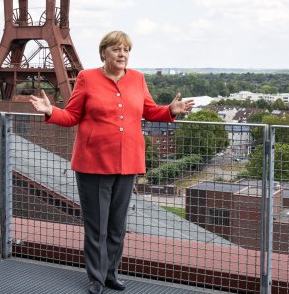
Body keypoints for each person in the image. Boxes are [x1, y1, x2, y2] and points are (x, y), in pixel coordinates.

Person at [29, 30, 194, 294]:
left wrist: (170, 111)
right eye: (117, 49)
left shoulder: (138, 78)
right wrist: (51, 111)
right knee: (97, 226)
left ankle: (110, 274)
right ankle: (95, 278)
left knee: (118, 225)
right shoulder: (87, 78)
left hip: (128, 162)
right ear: (103, 52)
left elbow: (150, 111)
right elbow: (72, 115)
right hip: (93, 163)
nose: (122, 54)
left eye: (126, 50)